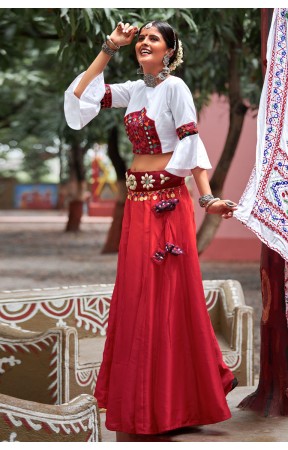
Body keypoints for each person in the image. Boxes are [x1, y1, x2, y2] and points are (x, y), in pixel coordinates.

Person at [64, 20, 238, 439]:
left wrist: (206, 197)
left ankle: (170, 403)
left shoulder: (175, 89)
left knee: (165, 294)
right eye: (140, 38)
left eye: (152, 38)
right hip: (138, 205)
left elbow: (190, 140)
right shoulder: (134, 90)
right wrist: (108, 47)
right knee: (138, 294)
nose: (143, 42)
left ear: (169, 51)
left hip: (167, 203)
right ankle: (146, 401)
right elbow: (80, 96)